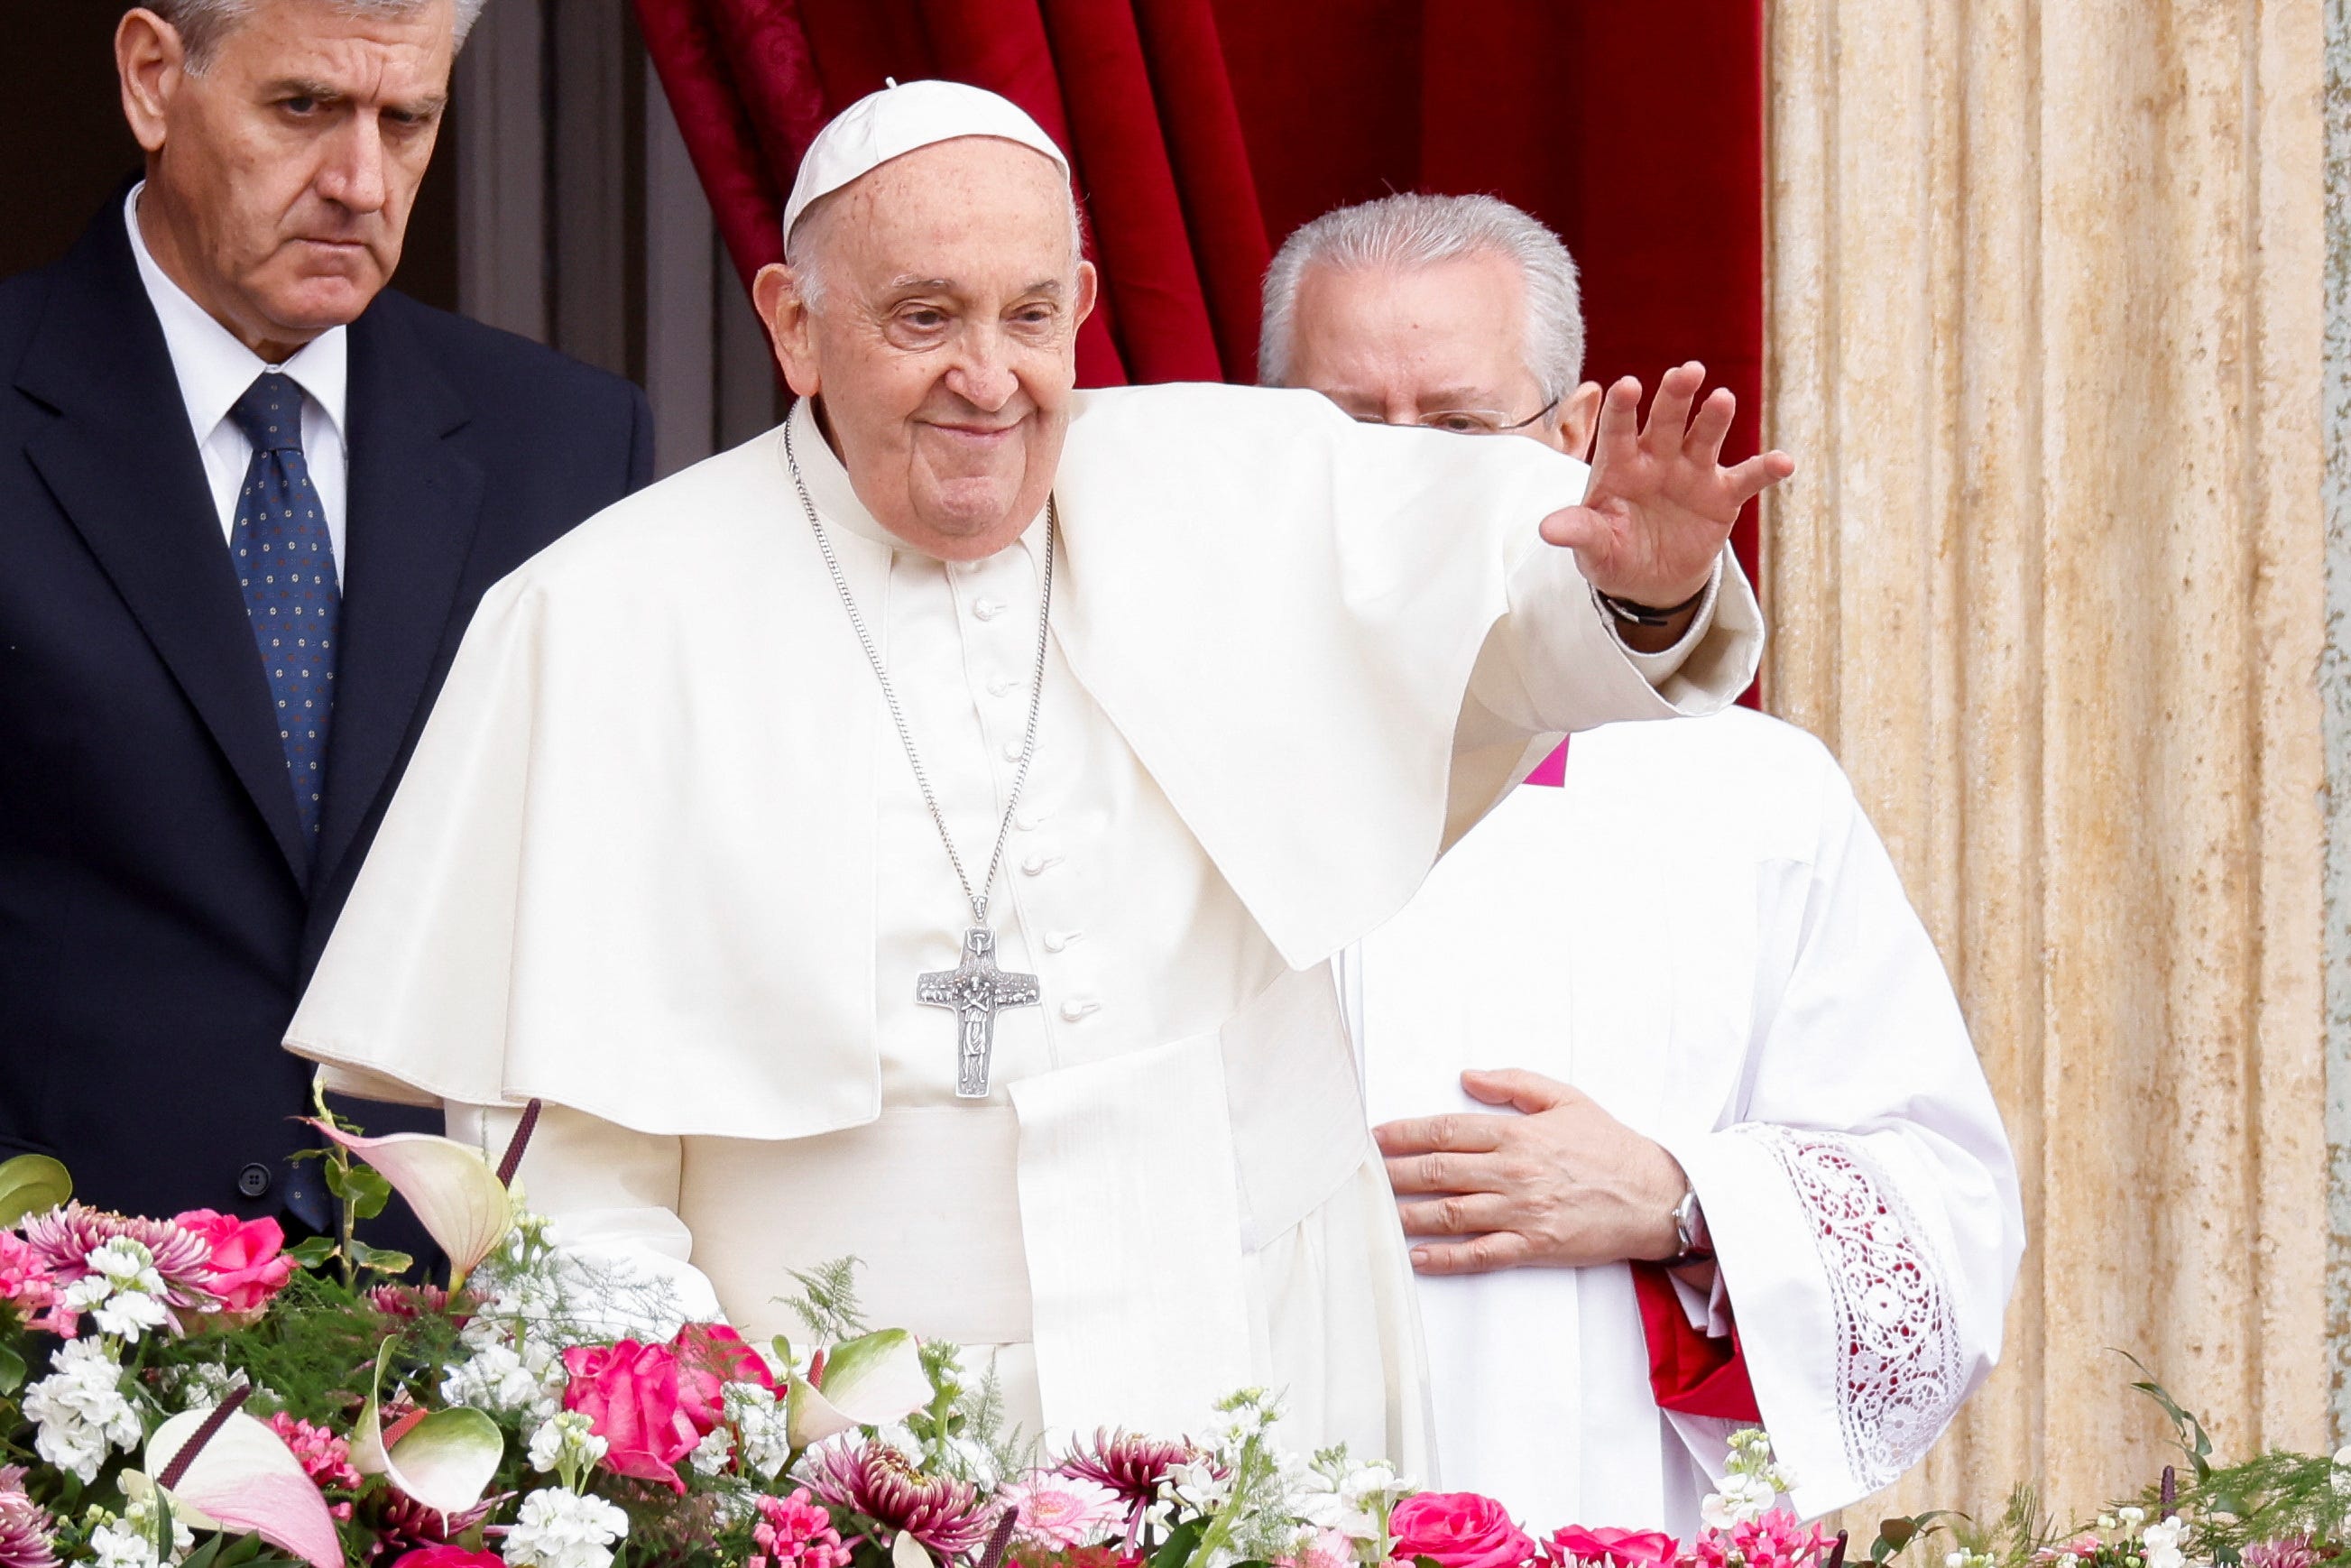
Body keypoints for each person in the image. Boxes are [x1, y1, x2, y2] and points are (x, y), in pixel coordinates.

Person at [283, 81, 1789, 1465]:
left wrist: (1644, 591)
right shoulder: (603, 616)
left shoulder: (1235, 487)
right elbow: (569, 1154)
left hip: (1247, 1353)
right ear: (794, 325)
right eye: (922, 317)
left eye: (1026, 315)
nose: (986, 379)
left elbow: (1503, 625)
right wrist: (685, 1445)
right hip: (830, 1420)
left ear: (1078, 305)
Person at [1261, 191, 2022, 1526]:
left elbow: (1945, 1218)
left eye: (1451, 423)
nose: (1398, 471)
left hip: (1606, 1508)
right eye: (1345, 423)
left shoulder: (1746, 794)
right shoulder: (1161, 760)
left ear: (1564, 439)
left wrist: (1679, 1197)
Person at [0, 0, 653, 1227]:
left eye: (406, 121)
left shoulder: (567, 448)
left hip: (463, 1341)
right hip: (50, 1330)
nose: (360, 180)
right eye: (302, 108)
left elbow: (623, 918)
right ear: (153, 79)